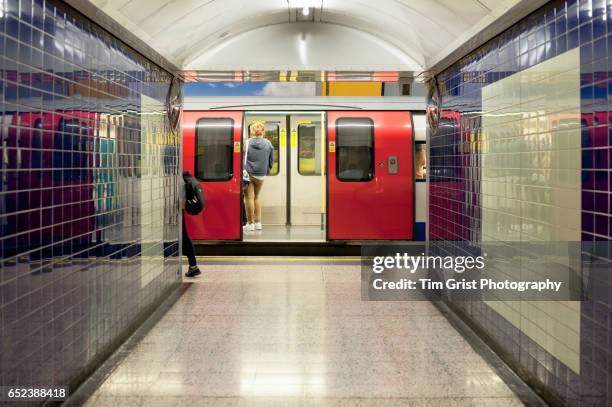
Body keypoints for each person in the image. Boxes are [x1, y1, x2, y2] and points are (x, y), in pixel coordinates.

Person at [243, 121, 274, 232]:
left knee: (248, 198)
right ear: (263, 131)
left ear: (252, 132)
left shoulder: (247, 143)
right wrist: (266, 170)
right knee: (256, 197)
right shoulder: (268, 143)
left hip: (248, 174)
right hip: (261, 175)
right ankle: (258, 223)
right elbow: (272, 160)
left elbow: (241, 157)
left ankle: (250, 223)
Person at [182, 171, 202, 277]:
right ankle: (193, 266)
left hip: (175, 211)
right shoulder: (184, 178)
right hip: (179, 210)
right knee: (184, 237)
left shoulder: (178, 179)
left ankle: (193, 266)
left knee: (184, 237)